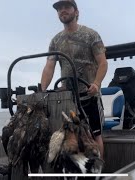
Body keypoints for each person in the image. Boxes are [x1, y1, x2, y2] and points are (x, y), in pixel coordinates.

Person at [40, 0, 108, 159]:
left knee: (94, 135)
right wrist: (41, 91)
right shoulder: (56, 40)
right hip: (67, 98)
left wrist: (96, 84)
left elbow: (103, 63)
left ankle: (98, 170)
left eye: (66, 7)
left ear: (76, 12)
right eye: (59, 9)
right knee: (69, 136)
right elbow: (49, 67)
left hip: (88, 95)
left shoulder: (91, 35)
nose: (62, 11)